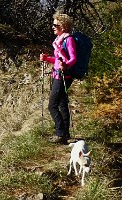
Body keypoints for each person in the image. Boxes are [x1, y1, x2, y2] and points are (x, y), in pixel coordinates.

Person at [39, 12, 76, 144]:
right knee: (61, 103)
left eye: (55, 24)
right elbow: (58, 59)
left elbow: (73, 58)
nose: (53, 27)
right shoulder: (59, 41)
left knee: (52, 105)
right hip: (58, 74)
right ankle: (65, 134)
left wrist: (65, 65)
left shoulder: (68, 39)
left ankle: (60, 133)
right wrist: (46, 58)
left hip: (63, 75)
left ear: (63, 26)